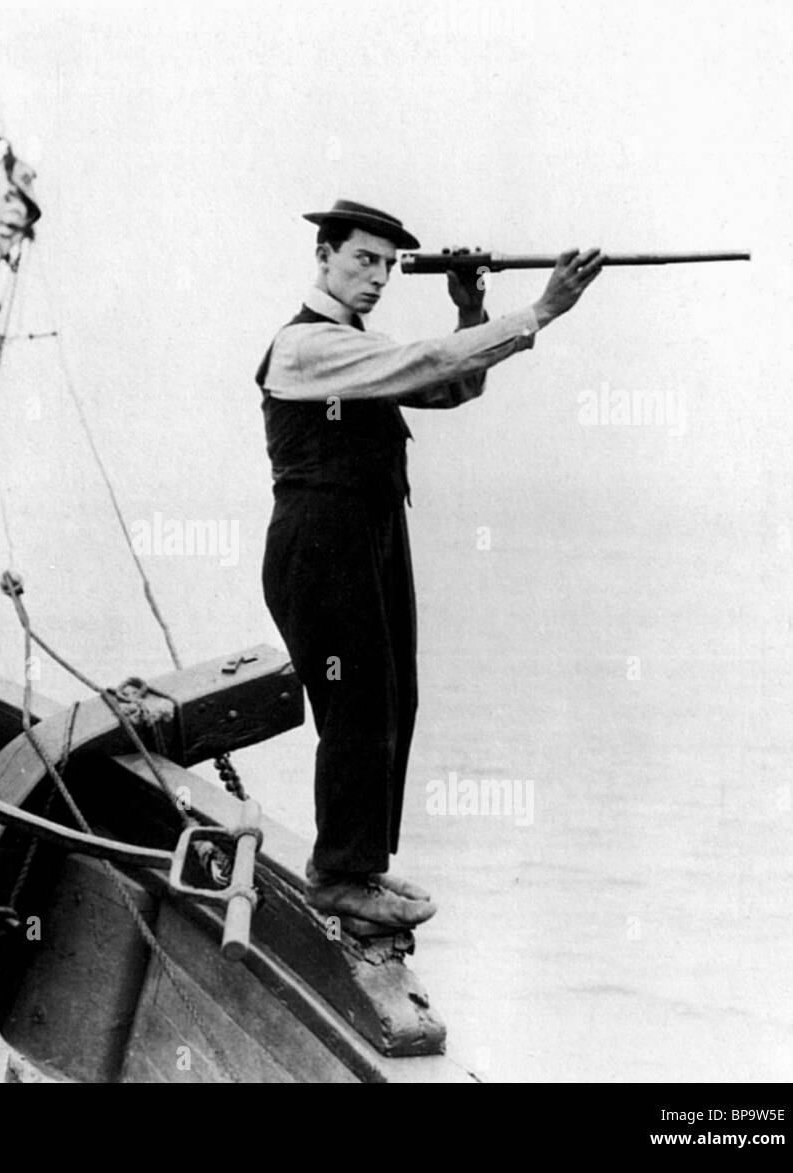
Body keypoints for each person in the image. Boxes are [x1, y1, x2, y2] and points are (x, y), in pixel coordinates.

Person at [256, 199, 601, 934]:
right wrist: (540, 311)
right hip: (320, 542)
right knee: (355, 706)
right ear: (323, 256)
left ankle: (361, 863)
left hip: (370, 533)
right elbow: (429, 361)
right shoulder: (306, 347)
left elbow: (452, 383)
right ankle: (341, 876)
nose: (377, 277)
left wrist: (470, 305)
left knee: (392, 697)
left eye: (386, 264)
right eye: (361, 260)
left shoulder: (357, 345)